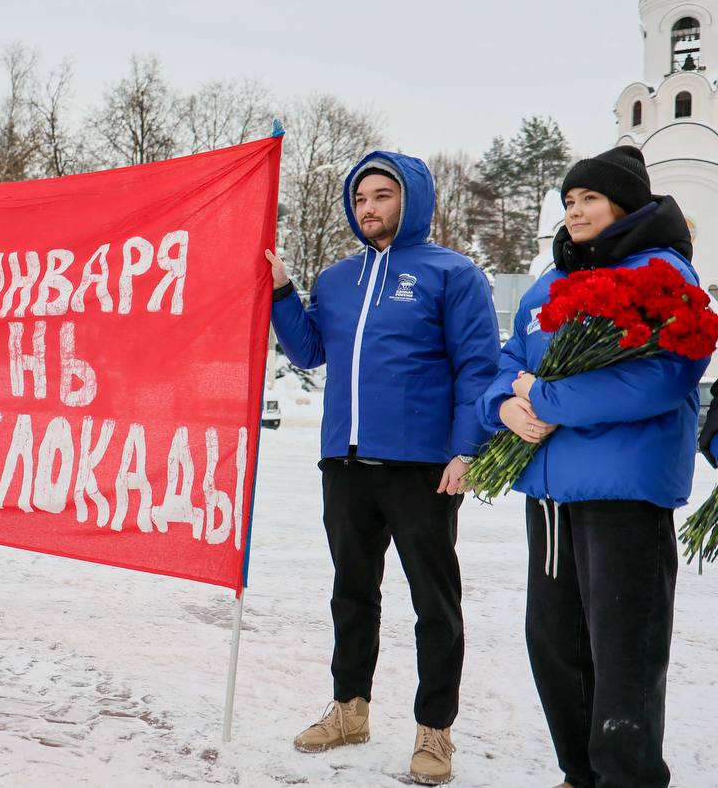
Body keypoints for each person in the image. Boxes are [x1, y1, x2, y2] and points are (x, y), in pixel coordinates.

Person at [266, 151, 499, 785]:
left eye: (382, 196)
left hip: (422, 467)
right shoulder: (339, 279)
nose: (368, 208)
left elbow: (477, 368)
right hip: (345, 463)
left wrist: (467, 448)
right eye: (361, 198)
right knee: (351, 593)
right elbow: (310, 350)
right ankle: (349, 710)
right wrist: (284, 289)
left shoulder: (453, 273)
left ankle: (434, 730)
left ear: (412, 200)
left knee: (435, 600)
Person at [477, 146, 705, 788]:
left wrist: (544, 399)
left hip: (622, 496)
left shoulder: (665, 273)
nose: (575, 211)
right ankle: (580, 775)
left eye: (590, 200)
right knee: (555, 649)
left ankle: (627, 779)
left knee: (623, 653)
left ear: (624, 205)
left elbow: (662, 378)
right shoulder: (552, 282)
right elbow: (506, 361)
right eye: (569, 201)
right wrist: (504, 409)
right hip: (548, 496)